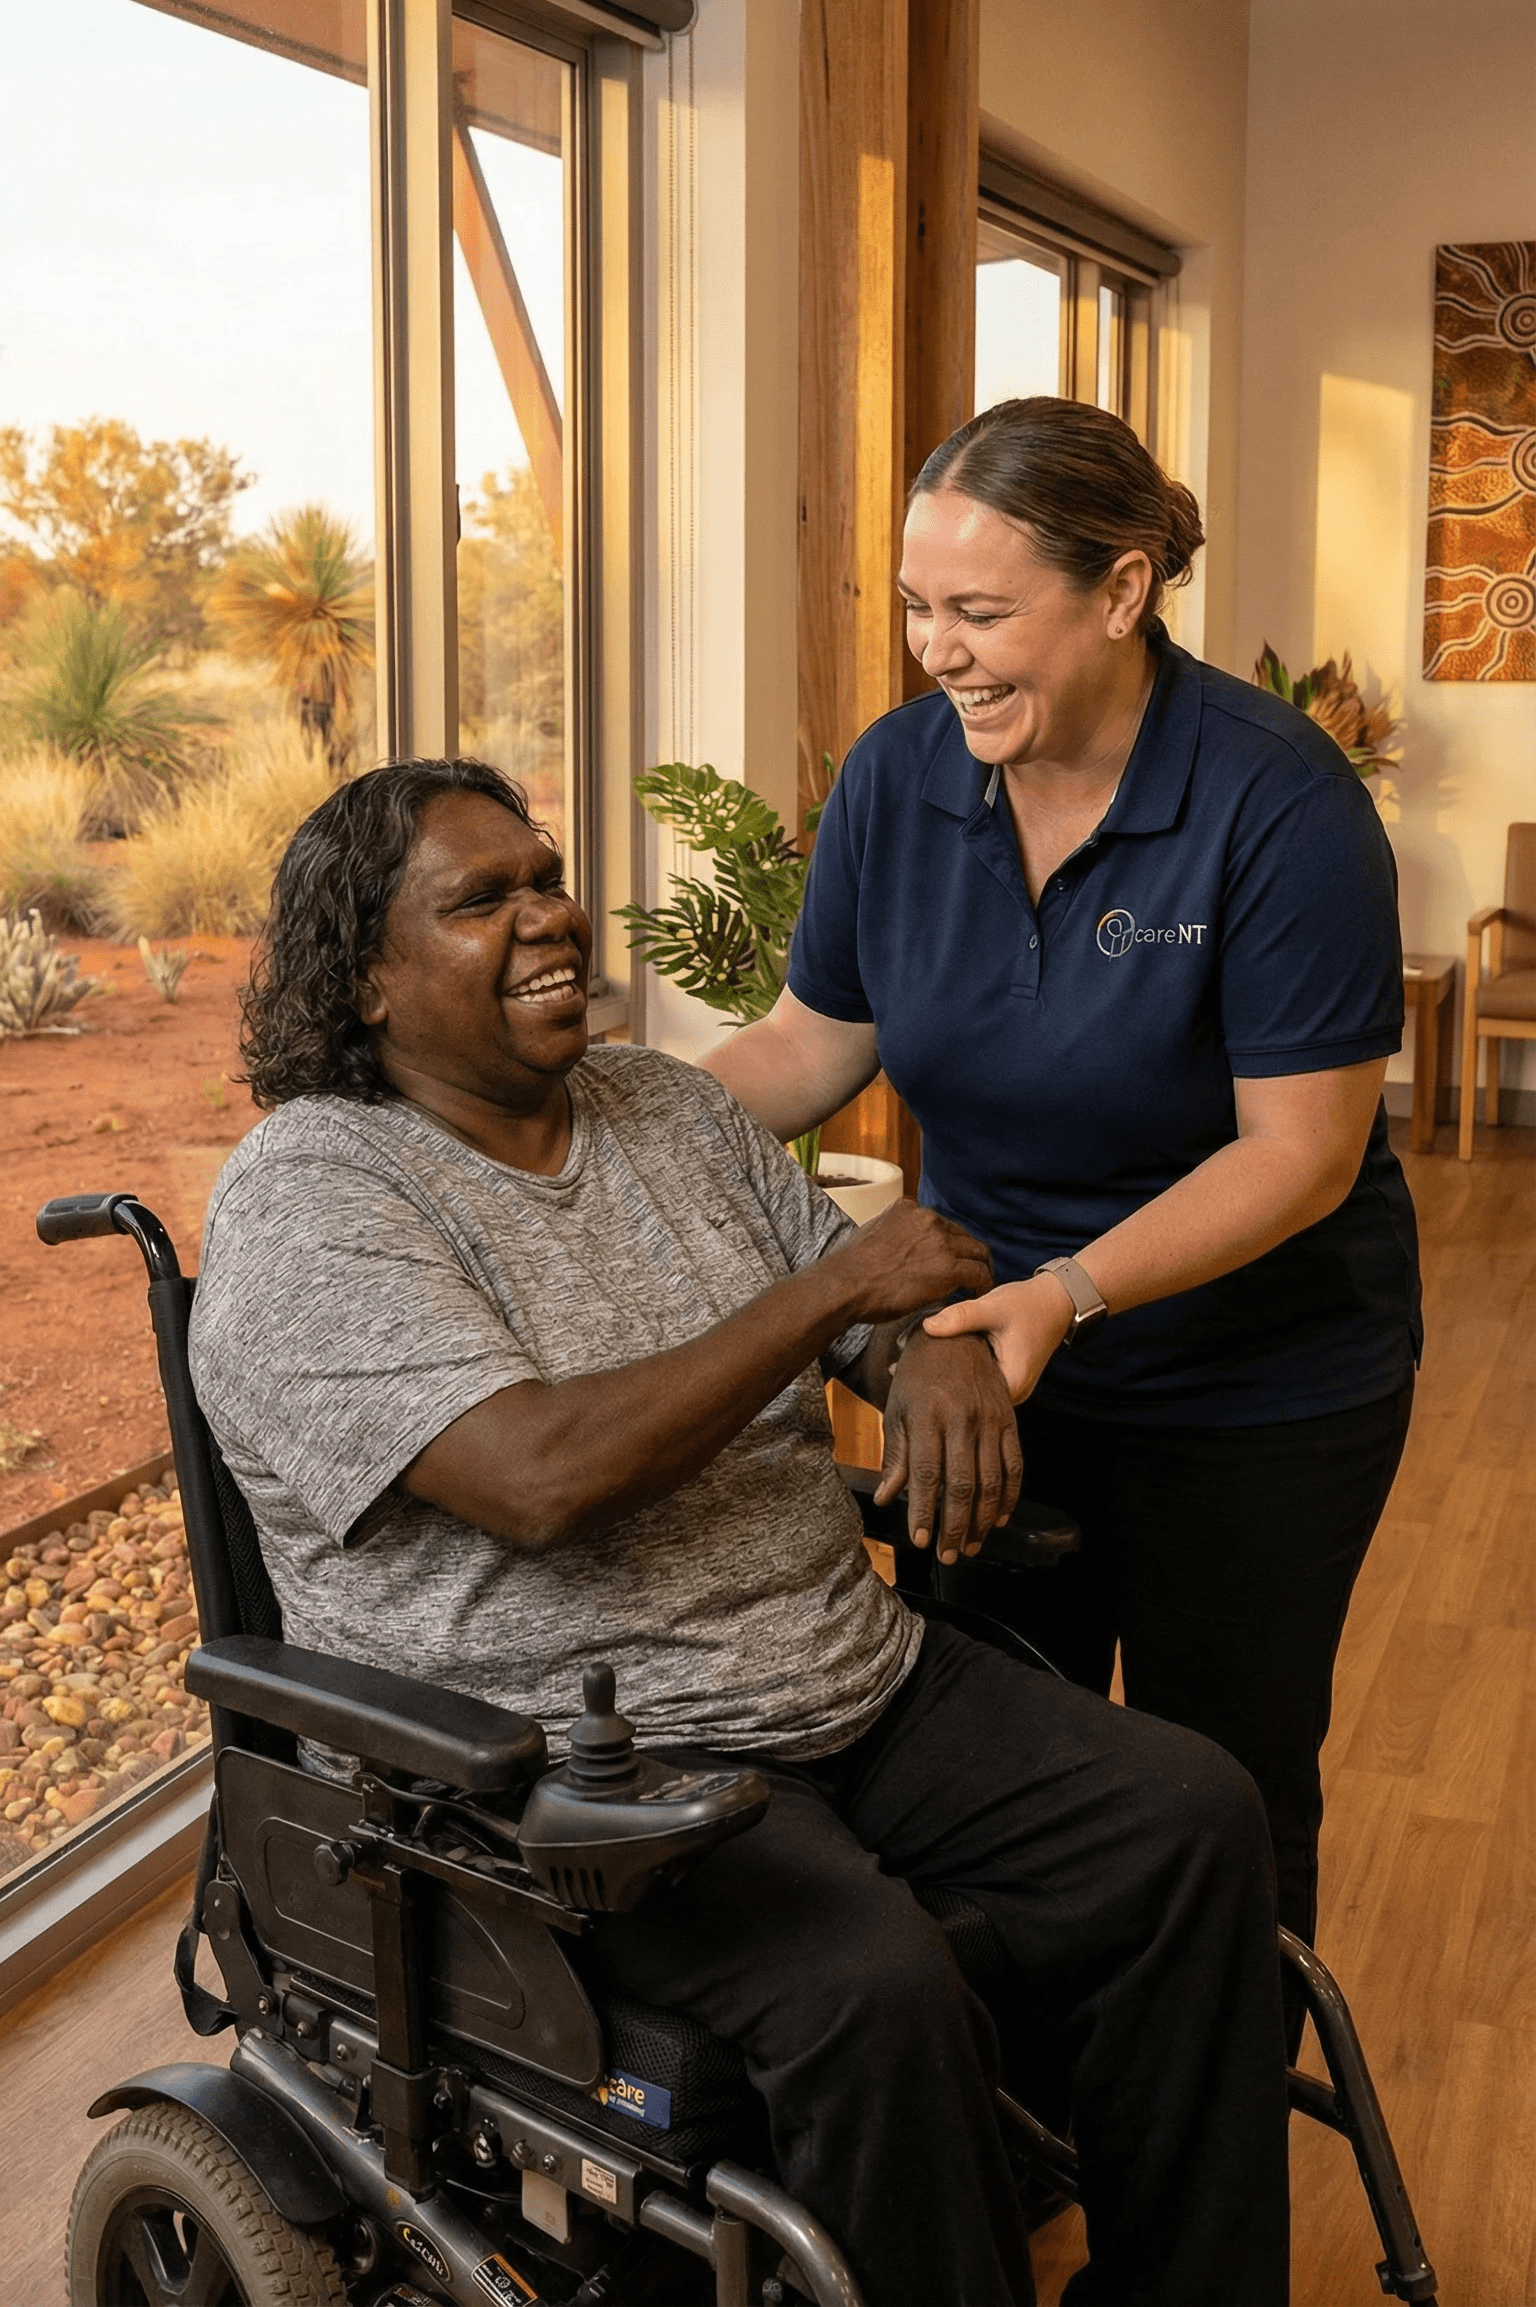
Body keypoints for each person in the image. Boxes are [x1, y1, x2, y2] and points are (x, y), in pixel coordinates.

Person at [189, 758, 1290, 2307]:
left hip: (848, 1674)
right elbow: (538, 1471)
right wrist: (840, 1292)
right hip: (571, 1777)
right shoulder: (316, 1197)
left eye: (549, 875)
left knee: (1191, 1814)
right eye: (482, 899)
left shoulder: (668, 1108)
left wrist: (939, 1359)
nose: (550, 914)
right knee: (875, 1984)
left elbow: (877, 1326)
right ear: (365, 976)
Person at [705, 396, 1422, 2000]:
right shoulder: (903, 779)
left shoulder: (1277, 802)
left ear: (1122, 590)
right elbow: (816, 1041)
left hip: (1252, 1386)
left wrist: (1066, 1294)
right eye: (914, 607)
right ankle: (1026, 2129)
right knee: (998, 1771)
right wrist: (600, 1114)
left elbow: (1298, 1153)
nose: (934, 652)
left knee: (1212, 1779)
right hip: (985, 1371)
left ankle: (1203, 2146)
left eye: (978, 612)